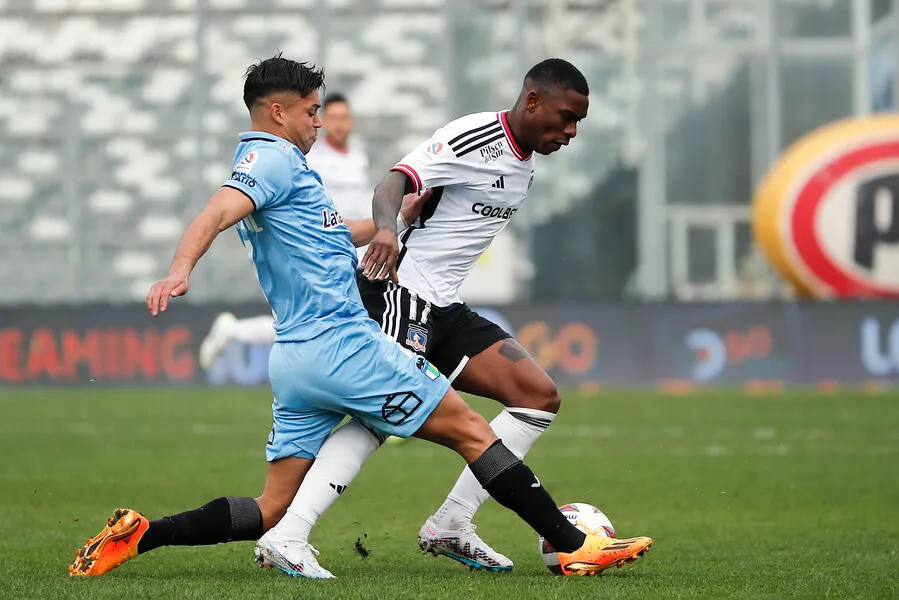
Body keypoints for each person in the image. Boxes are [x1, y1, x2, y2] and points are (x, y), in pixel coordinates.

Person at [68, 53, 651, 580]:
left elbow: (326, 231)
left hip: (297, 359)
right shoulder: (267, 162)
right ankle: (575, 543)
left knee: (271, 506)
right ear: (277, 111)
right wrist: (180, 266)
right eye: (312, 111)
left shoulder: (293, 174)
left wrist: (388, 225)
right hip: (348, 341)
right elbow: (219, 209)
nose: (321, 122)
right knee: (470, 430)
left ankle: (142, 536)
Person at [257, 58, 650, 574]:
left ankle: (451, 524)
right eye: (564, 116)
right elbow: (392, 183)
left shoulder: (524, 164)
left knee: (538, 396)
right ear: (532, 100)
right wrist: (385, 230)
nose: (571, 131)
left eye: (579, 121)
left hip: (444, 305)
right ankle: (288, 534)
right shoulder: (473, 137)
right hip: (398, 292)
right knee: (380, 420)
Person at [197, 93, 373, 369]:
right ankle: (234, 332)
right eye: (333, 117)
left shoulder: (358, 157)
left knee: (321, 321)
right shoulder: (311, 156)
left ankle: (234, 332)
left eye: (344, 118)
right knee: (302, 321)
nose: (338, 125)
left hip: (347, 243)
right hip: (310, 247)